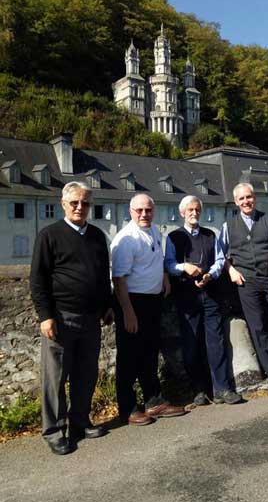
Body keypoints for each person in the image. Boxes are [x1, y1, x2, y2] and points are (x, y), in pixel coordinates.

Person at [30, 181, 113, 456]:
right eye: (75, 202)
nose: (80, 207)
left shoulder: (98, 237)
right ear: (63, 204)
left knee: (86, 374)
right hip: (61, 318)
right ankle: (54, 431)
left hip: (91, 318)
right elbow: (38, 279)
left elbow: (103, 277)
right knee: (55, 378)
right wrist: (45, 316)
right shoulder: (49, 235)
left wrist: (108, 305)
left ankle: (80, 422)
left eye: (86, 203)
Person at [111, 193, 185, 425]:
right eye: (139, 210)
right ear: (130, 212)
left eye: (148, 210)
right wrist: (128, 312)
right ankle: (128, 407)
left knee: (150, 354)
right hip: (132, 302)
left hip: (152, 301)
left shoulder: (153, 230)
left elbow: (158, 259)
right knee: (129, 357)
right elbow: (119, 279)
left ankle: (154, 402)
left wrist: (165, 279)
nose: (144, 214)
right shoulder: (126, 239)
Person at [220, 183, 268, 396]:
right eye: (241, 199)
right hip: (246, 282)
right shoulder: (229, 226)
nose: (246, 201)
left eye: (249, 197)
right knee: (257, 327)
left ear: (254, 198)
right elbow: (222, 256)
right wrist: (231, 271)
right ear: (236, 202)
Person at [165, 196, 242, 406]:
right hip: (187, 297)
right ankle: (198, 389)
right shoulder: (173, 237)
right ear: (182, 213)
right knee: (191, 345)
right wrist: (184, 267)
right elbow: (169, 264)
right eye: (189, 210)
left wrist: (211, 274)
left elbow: (219, 260)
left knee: (216, 343)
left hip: (210, 295)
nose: (193, 213)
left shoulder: (210, 235)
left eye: (197, 209)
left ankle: (222, 389)